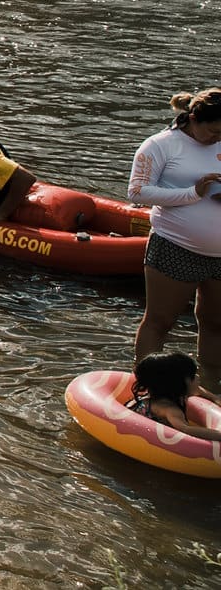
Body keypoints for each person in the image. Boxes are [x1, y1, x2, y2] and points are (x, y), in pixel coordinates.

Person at [127, 89, 221, 382]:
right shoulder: (160, 145)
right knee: (159, 321)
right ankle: (145, 387)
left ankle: (211, 390)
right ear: (193, 118)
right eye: (213, 131)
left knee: (216, 323)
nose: (217, 138)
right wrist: (193, 193)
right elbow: (137, 192)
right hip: (175, 246)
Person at [125, 352, 221, 442]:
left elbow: (198, 390)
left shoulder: (147, 398)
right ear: (179, 385)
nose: (198, 377)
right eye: (192, 375)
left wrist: (214, 398)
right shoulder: (170, 409)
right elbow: (185, 430)